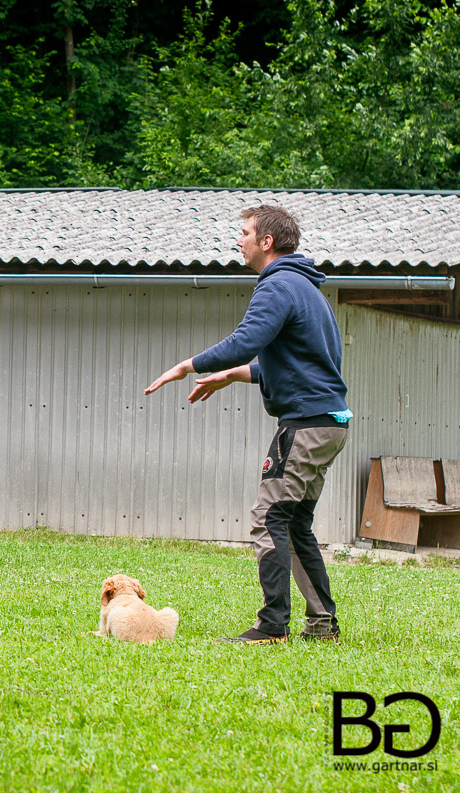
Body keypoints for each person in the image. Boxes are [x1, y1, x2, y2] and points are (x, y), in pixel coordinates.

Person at [145, 205, 350, 645]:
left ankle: (272, 625)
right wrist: (232, 375)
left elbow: (245, 341)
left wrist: (190, 365)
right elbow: (307, 364)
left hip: (305, 425)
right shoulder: (309, 290)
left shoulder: (277, 286)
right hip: (329, 423)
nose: (238, 241)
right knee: (292, 523)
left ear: (266, 242)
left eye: (243, 234)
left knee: (268, 516)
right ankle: (322, 624)